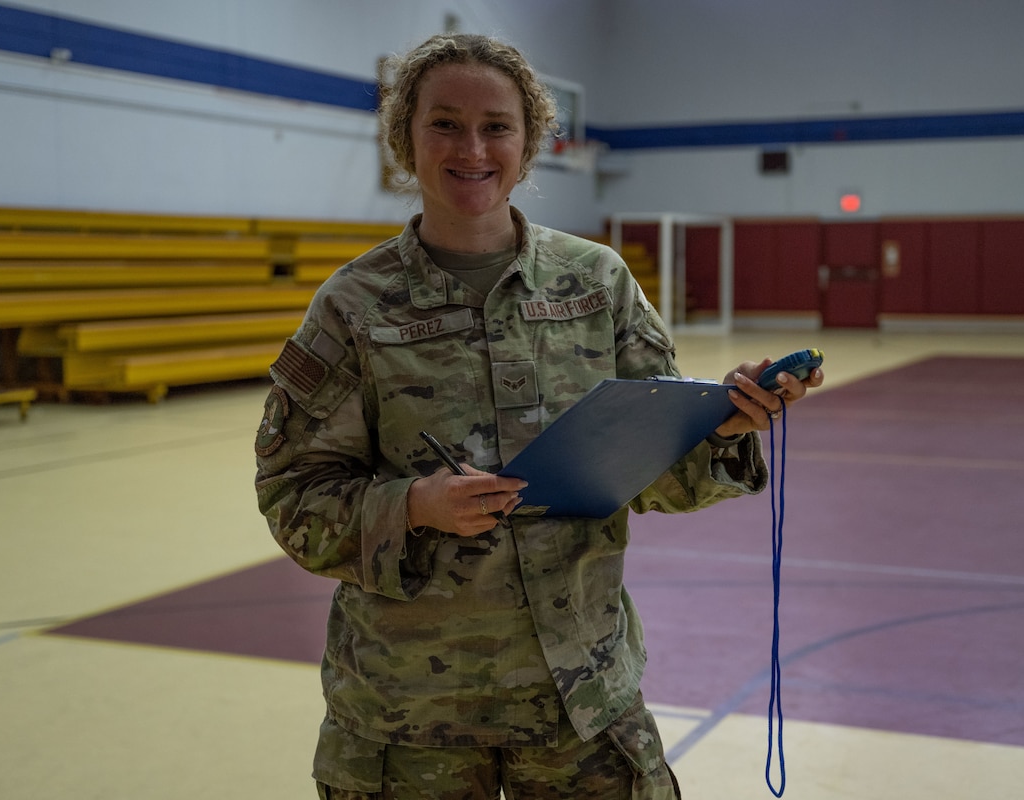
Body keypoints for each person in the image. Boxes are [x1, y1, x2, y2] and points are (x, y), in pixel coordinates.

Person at [254, 32, 822, 800]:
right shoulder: (354, 306)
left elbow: (653, 474)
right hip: (410, 716)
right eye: (444, 123)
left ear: (529, 145)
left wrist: (722, 421)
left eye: (497, 126)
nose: (473, 148)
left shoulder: (598, 284)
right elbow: (293, 495)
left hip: (580, 702)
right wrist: (413, 505)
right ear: (404, 140)